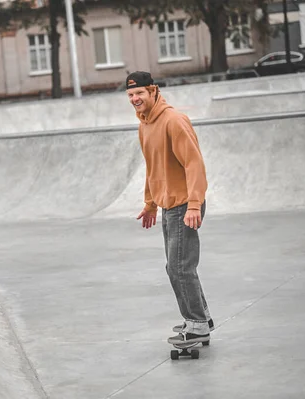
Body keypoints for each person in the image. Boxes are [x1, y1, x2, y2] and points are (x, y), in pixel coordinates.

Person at [126, 71, 214, 345]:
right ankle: (200, 318)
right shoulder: (144, 125)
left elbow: (194, 164)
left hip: (185, 204)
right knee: (177, 266)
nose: (135, 99)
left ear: (153, 91)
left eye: (139, 93)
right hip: (168, 204)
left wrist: (195, 204)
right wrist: (150, 203)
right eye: (130, 95)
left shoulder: (174, 120)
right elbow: (153, 168)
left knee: (179, 267)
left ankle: (197, 324)